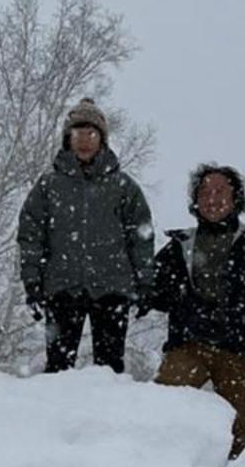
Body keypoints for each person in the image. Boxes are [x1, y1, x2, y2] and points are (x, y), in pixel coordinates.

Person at [149, 164, 245, 457]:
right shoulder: (181, 245)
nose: (212, 199)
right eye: (205, 192)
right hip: (189, 345)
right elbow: (151, 290)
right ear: (195, 201)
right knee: (159, 412)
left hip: (239, 350)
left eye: (220, 192)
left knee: (236, 438)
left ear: (236, 199)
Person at [16, 98, 154, 373]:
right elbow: (30, 236)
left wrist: (144, 282)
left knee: (110, 370)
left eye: (91, 133)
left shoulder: (123, 186)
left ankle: (108, 416)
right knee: (57, 368)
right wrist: (32, 282)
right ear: (68, 138)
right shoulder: (49, 186)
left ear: (102, 139)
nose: (84, 141)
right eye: (78, 133)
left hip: (112, 288)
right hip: (62, 286)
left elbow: (141, 237)